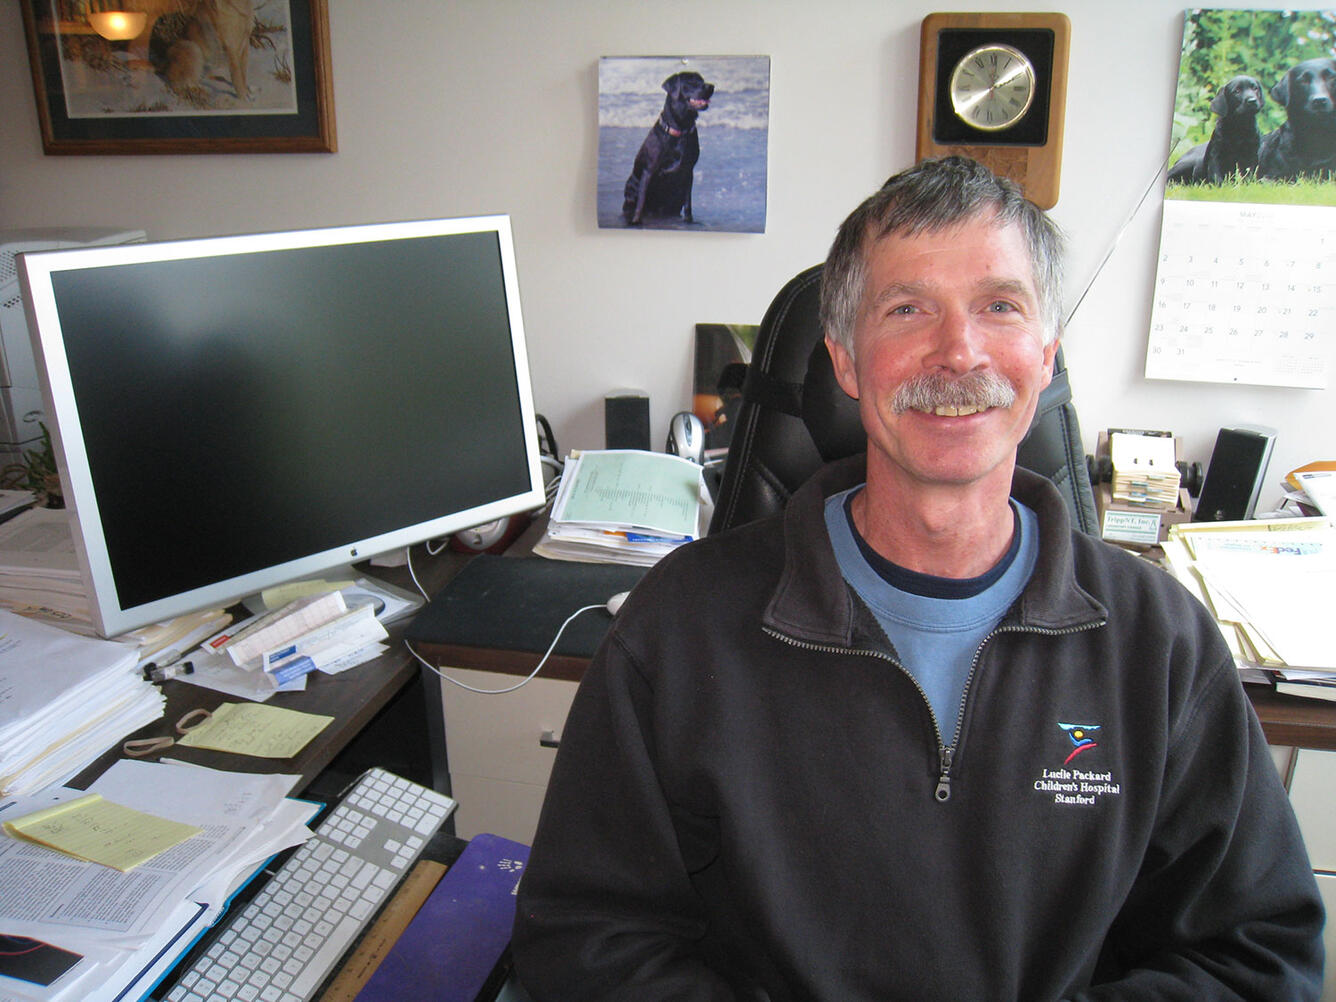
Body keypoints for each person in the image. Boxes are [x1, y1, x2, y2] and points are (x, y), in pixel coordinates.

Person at [511, 157, 1325, 1000]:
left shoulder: (1161, 644)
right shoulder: (680, 624)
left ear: (1045, 356)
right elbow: (583, 936)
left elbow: (1258, 957)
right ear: (847, 362)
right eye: (907, 310)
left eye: (999, 306)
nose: (958, 351)